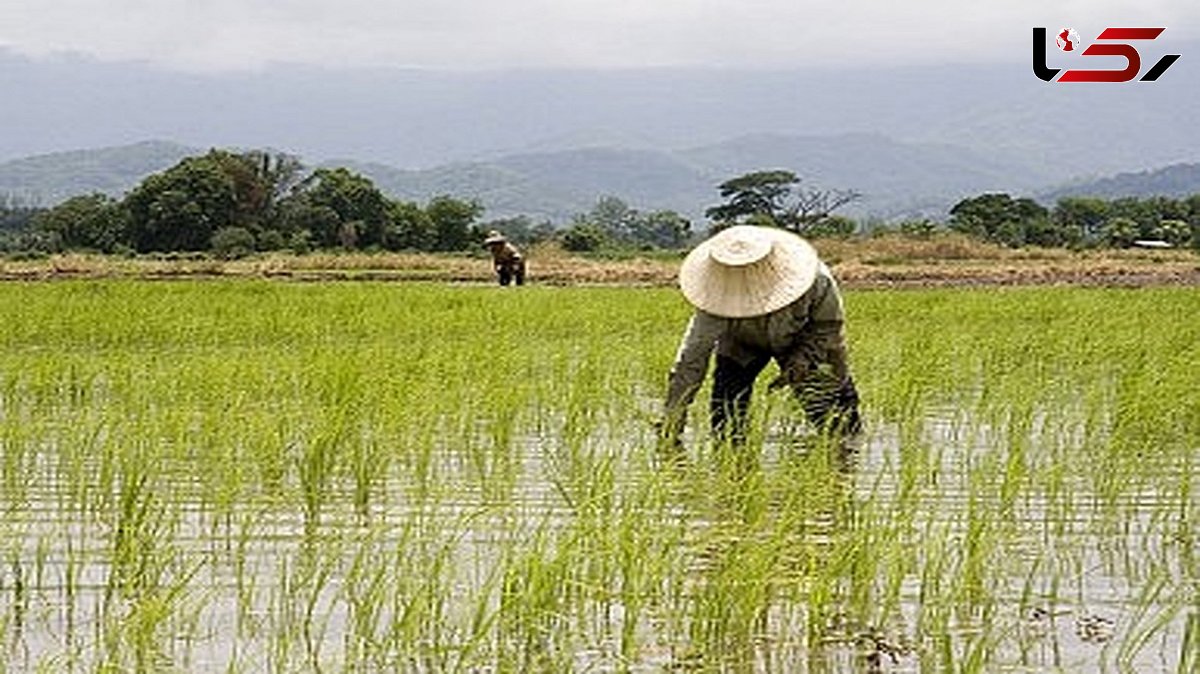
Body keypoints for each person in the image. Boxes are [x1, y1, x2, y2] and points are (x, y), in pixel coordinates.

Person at [660, 224, 862, 449]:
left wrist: (802, 359)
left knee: (837, 420)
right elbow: (692, 358)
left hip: (803, 339)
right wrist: (672, 418)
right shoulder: (713, 296)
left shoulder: (816, 279)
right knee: (726, 418)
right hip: (741, 343)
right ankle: (733, 471)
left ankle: (844, 463)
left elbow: (828, 327)